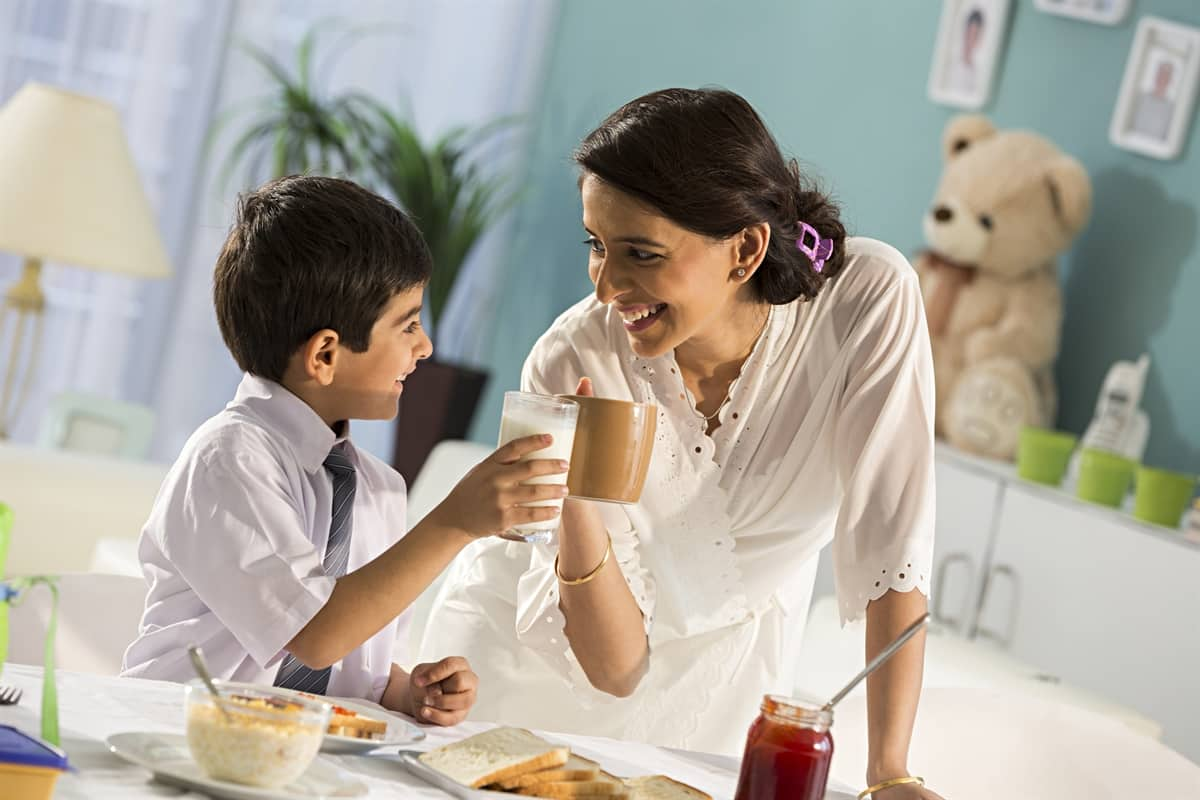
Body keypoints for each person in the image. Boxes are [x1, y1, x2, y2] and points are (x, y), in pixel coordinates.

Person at [423, 88, 942, 798]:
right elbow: (612, 668)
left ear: (746, 248)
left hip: (720, 691)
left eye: (639, 252)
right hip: (528, 663)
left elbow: (894, 546)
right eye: (595, 246)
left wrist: (890, 774)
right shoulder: (570, 361)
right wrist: (574, 494)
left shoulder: (865, 305)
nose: (607, 288)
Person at [122, 175, 568, 725]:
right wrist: (453, 523)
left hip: (292, 761)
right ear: (325, 355)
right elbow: (313, 636)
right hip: (174, 736)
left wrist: (408, 693)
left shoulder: (379, 488)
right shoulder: (230, 459)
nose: (425, 347)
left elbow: (353, 669)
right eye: (407, 326)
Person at [1130, 57, 1176, 141]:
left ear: (1170, 80)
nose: (1162, 78)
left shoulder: (1172, 109)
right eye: (1160, 74)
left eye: (1166, 75)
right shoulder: (1139, 98)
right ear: (1155, 76)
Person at [945, 7, 985, 95]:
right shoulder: (950, 62)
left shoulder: (979, 70)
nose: (971, 39)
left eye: (976, 35)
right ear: (964, 31)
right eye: (969, 33)